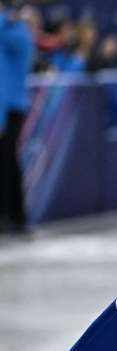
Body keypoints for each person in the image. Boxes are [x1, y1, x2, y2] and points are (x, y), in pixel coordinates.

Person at [0, 1, 36, 235]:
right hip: (11, 106)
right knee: (8, 160)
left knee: (6, 161)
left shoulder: (16, 34)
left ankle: (11, 215)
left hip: (10, 107)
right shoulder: (12, 30)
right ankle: (15, 216)